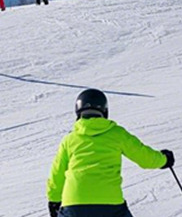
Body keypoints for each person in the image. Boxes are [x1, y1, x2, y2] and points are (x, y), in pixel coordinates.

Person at [46, 89, 174, 217]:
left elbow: (57, 173)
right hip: (110, 205)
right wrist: (164, 160)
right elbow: (145, 158)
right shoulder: (117, 134)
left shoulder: (70, 140)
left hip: (74, 204)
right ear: (105, 111)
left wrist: (54, 201)